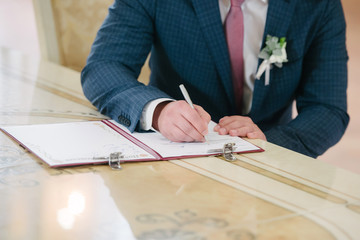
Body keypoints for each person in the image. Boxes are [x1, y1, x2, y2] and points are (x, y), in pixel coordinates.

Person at [81, 0, 349, 158]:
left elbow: (328, 108)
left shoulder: (319, 5)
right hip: (173, 157)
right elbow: (104, 66)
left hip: (268, 163)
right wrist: (159, 111)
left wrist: (270, 141)